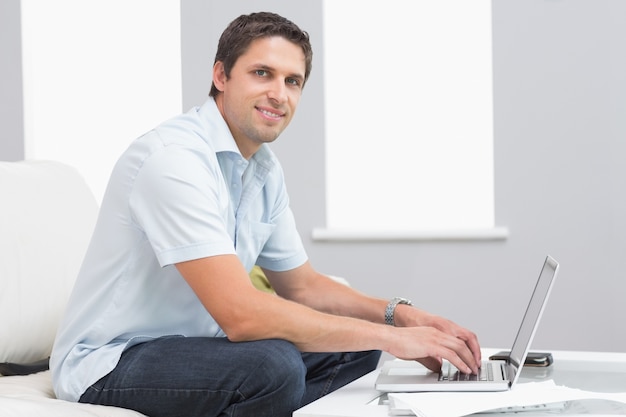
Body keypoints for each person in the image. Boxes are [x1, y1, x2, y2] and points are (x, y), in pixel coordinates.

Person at [50, 11, 481, 417]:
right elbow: (241, 315)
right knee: (273, 367)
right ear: (221, 76)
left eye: (293, 81)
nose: (279, 93)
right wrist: (398, 340)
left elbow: (304, 286)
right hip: (110, 361)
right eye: (263, 73)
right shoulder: (173, 160)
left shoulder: (262, 169)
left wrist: (400, 315)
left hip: (199, 348)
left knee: (353, 345)